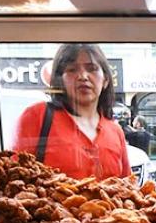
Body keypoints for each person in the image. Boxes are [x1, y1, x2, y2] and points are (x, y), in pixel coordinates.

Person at [13, 43, 131, 180]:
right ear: (60, 80)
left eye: (91, 69)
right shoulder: (37, 116)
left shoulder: (115, 131)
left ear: (105, 80)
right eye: (72, 69)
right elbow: (16, 177)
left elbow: (127, 186)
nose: (83, 76)